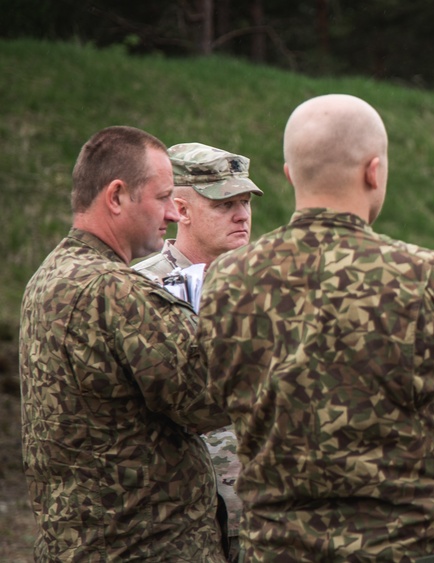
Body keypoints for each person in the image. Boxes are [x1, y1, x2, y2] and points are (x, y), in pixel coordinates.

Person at [194, 93, 434, 562]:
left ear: (290, 174)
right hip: (405, 549)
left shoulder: (226, 282)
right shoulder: (433, 279)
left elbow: (218, 400)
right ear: (373, 171)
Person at [19, 126, 230, 561]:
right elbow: (210, 400)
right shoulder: (115, 291)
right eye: (162, 197)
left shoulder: (49, 275)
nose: (173, 214)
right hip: (144, 545)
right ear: (116, 197)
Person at [133, 142, 264, 562]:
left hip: (265, 516)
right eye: (225, 203)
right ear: (182, 209)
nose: (242, 215)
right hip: (178, 518)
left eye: (245, 202)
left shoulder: (272, 285)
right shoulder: (137, 288)